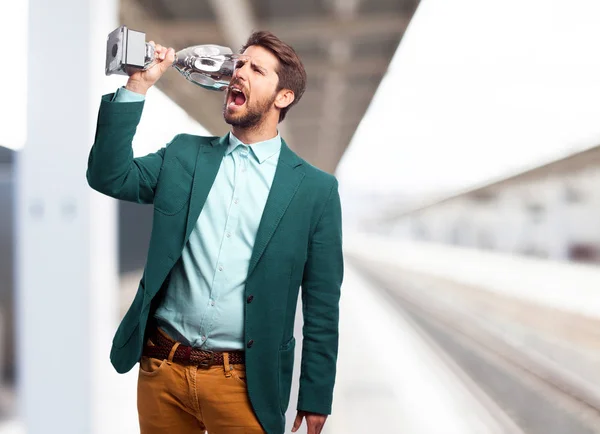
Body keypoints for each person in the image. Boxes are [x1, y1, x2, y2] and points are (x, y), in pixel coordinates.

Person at [86, 30, 343, 434]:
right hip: (163, 372)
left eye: (257, 69)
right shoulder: (184, 155)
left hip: (244, 385)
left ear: (283, 97)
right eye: (239, 64)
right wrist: (138, 84)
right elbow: (109, 175)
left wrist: (315, 394)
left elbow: (322, 302)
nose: (239, 72)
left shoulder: (315, 190)